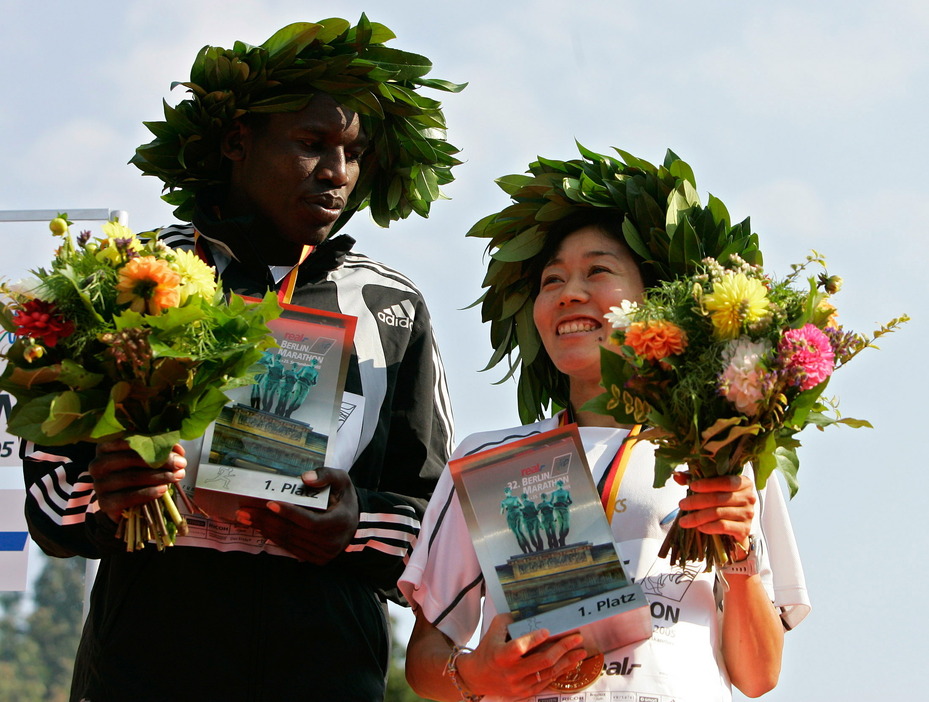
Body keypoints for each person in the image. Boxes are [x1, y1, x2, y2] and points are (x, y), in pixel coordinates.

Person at [22, 15, 461, 702]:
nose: (337, 174)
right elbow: (49, 492)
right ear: (236, 142)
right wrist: (108, 494)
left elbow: (432, 514)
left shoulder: (389, 304)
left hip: (326, 666)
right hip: (145, 660)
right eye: (312, 144)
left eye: (353, 153)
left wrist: (352, 527)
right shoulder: (130, 272)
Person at [399, 147, 809, 702]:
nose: (570, 291)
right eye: (551, 280)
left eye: (598, 270)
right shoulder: (490, 459)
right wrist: (475, 675)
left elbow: (758, 676)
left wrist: (736, 554)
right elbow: (426, 659)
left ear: (657, 301)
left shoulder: (723, 450)